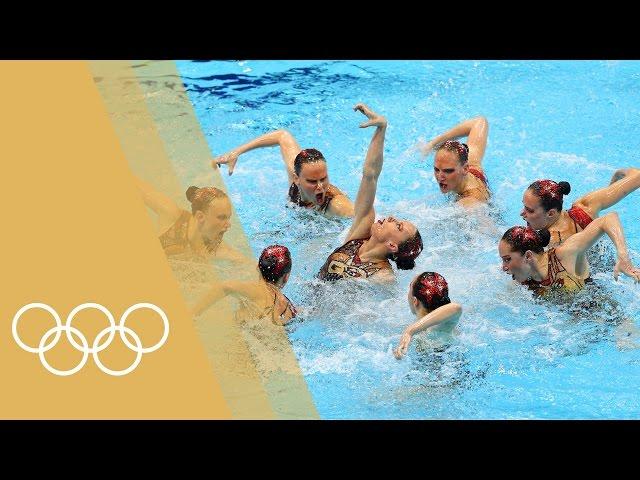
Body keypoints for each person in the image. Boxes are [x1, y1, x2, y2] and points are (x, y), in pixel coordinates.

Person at [317, 103, 423, 283]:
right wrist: (381, 128)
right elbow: (370, 176)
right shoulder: (361, 230)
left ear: (392, 245)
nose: (391, 218)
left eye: (398, 226)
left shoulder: (383, 277)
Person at [213, 129, 354, 217]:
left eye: (323, 179)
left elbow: (366, 220)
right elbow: (282, 135)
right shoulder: (296, 173)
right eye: (312, 181)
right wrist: (236, 152)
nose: (320, 186)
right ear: (296, 178)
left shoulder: (337, 205)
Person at [499, 213, 640, 298]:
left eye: (507, 260)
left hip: (603, 313)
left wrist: (623, 257)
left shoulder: (564, 255)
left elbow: (608, 219)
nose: (503, 268)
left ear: (528, 256)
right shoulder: (522, 280)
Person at [135, 177, 248, 263]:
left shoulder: (216, 248)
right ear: (200, 217)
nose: (228, 225)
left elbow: (248, 264)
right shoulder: (172, 216)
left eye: (228, 217)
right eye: (221, 217)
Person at [520, 169, 640, 247]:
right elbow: (637, 176)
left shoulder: (548, 244)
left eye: (529, 210)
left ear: (551, 213)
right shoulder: (586, 208)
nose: (522, 213)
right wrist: (619, 173)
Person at [191, 245, 297, 326]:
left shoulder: (258, 291)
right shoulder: (288, 308)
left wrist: (194, 313)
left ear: (257, 267)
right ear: (286, 277)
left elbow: (225, 286)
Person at [419, 116, 490, 208]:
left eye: (448, 171)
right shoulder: (472, 163)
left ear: (465, 169)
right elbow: (479, 122)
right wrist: (431, 144)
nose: (440, 177)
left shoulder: (470, 204)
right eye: (436, 169)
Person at [393, 272, 462, 359]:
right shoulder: (433, 323)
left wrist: (409, 331)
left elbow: (456, 308)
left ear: (415, 301)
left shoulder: (437, 327)